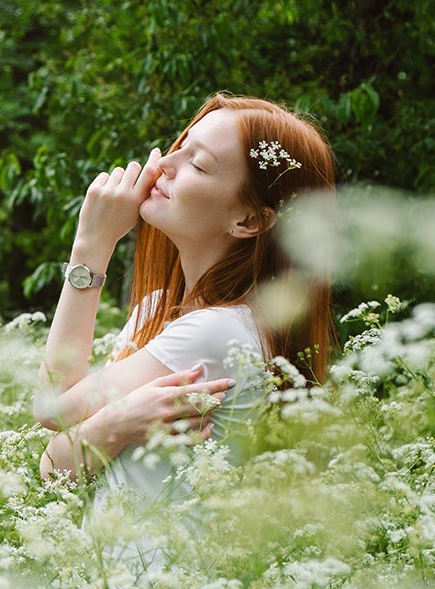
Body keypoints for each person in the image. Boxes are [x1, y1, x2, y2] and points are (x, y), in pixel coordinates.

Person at [34, 93, 336, 492]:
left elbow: (52, 410)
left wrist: (90, 247)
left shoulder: (216, 333)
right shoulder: (157, 309)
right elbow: (54, 471)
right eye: (182, 146)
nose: (162, 164)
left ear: (248, 220)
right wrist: (116, 423)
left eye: (197, 162)